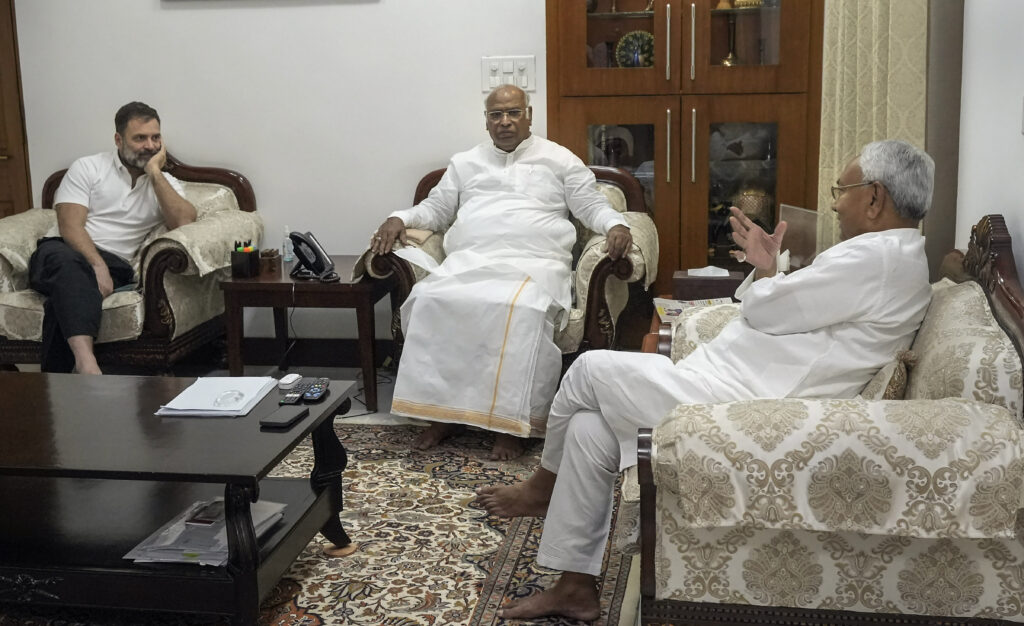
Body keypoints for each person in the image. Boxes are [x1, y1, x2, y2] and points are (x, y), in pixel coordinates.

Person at [476, 139, 935, 621]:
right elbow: (782, 306)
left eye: (842, 190)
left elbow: (767, 310)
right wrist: (768, 271)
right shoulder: (889, 256)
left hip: (744, 404)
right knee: (589, 429)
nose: (836, 204)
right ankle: (575, 588)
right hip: (730, 382)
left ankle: (540, 488)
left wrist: (768, 278)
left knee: (587, 369)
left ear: (875, 197)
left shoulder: (875, 260)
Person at [370, 84, 633, 461]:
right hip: (471, 261)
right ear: (486, 121)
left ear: (529, 115)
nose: (505, 121)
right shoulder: (466, 163)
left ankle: (510, 426)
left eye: (513, 113)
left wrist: (615, 225)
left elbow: (591, 206)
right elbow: (436, 210)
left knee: (521, 308)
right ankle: (442, 415)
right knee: (429, 298)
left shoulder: (560, 160)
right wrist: (399, 217)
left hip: (534, 265)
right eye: (496, 115)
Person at [28, 101, 196, 374]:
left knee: (64, 297)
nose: (150, 146)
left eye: (155, 138)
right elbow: (70, 227)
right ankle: (87, 363)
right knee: (70, 267)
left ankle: (58, 383)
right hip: (61, 251)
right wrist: (97, 265)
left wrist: (154, 172)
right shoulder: (88, 168)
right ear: (118, 140)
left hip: (116, 265)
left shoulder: (164, 183)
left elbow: (184, 222)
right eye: (140, 138)